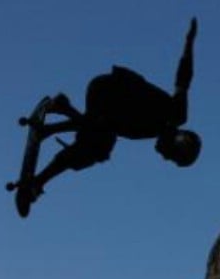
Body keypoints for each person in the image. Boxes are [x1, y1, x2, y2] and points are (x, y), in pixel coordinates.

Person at [16, 18, 201, 216]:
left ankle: (38, 176)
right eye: (171, 156)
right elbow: (184, 77)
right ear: (178, 141)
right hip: (107, 89)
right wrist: (189, 42)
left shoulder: (150, 129)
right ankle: (56, 120)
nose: (164, 157)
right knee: (99, 140)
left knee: (95, 148)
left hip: (108, 105)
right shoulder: (175, 115)